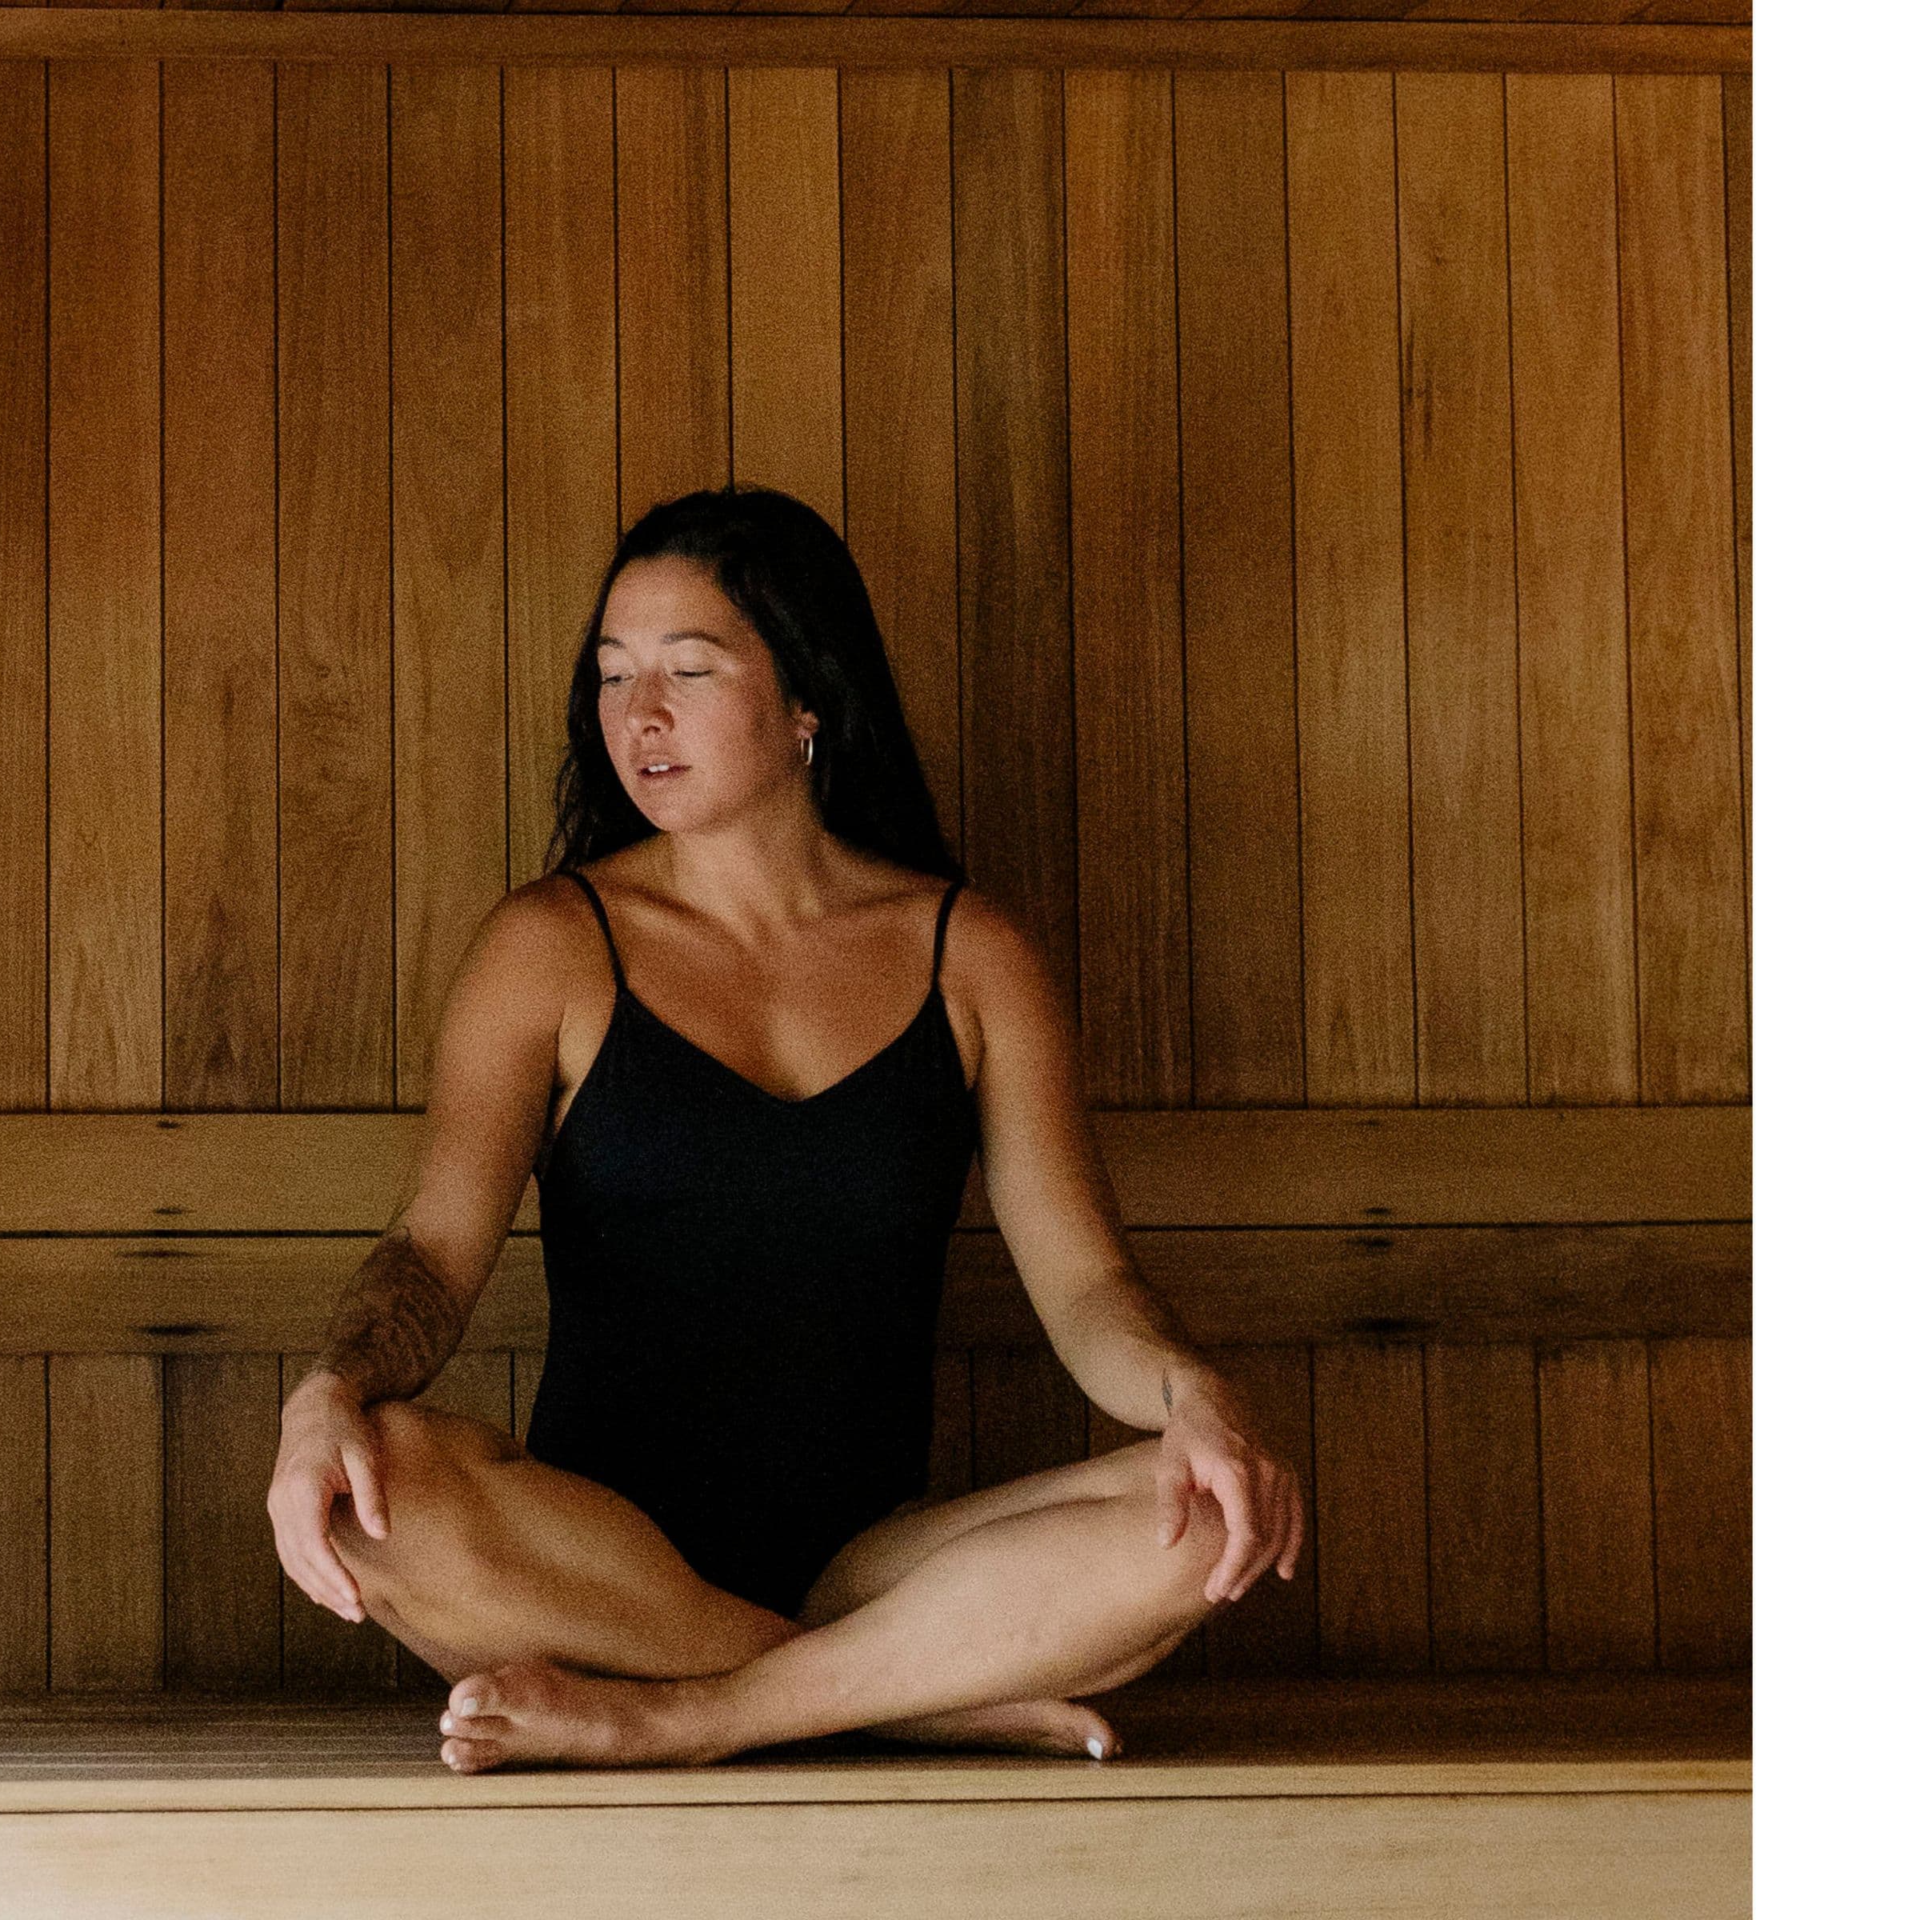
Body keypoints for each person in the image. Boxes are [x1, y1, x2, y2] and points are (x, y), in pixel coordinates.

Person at [267, 486, 1302, 1774]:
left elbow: (1087, 1281)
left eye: (688, 672)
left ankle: (698, 1712)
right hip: (593, 1564)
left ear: (809, 699)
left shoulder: (968, 956)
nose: (636, 716)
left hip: (873, 1566)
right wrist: (332, 1390)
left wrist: (1190, 1391)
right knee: (373, 1488)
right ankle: (900, 1696)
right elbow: (433, 1250)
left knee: (1205, 1516)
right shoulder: (548, 949)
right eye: (613, 675)